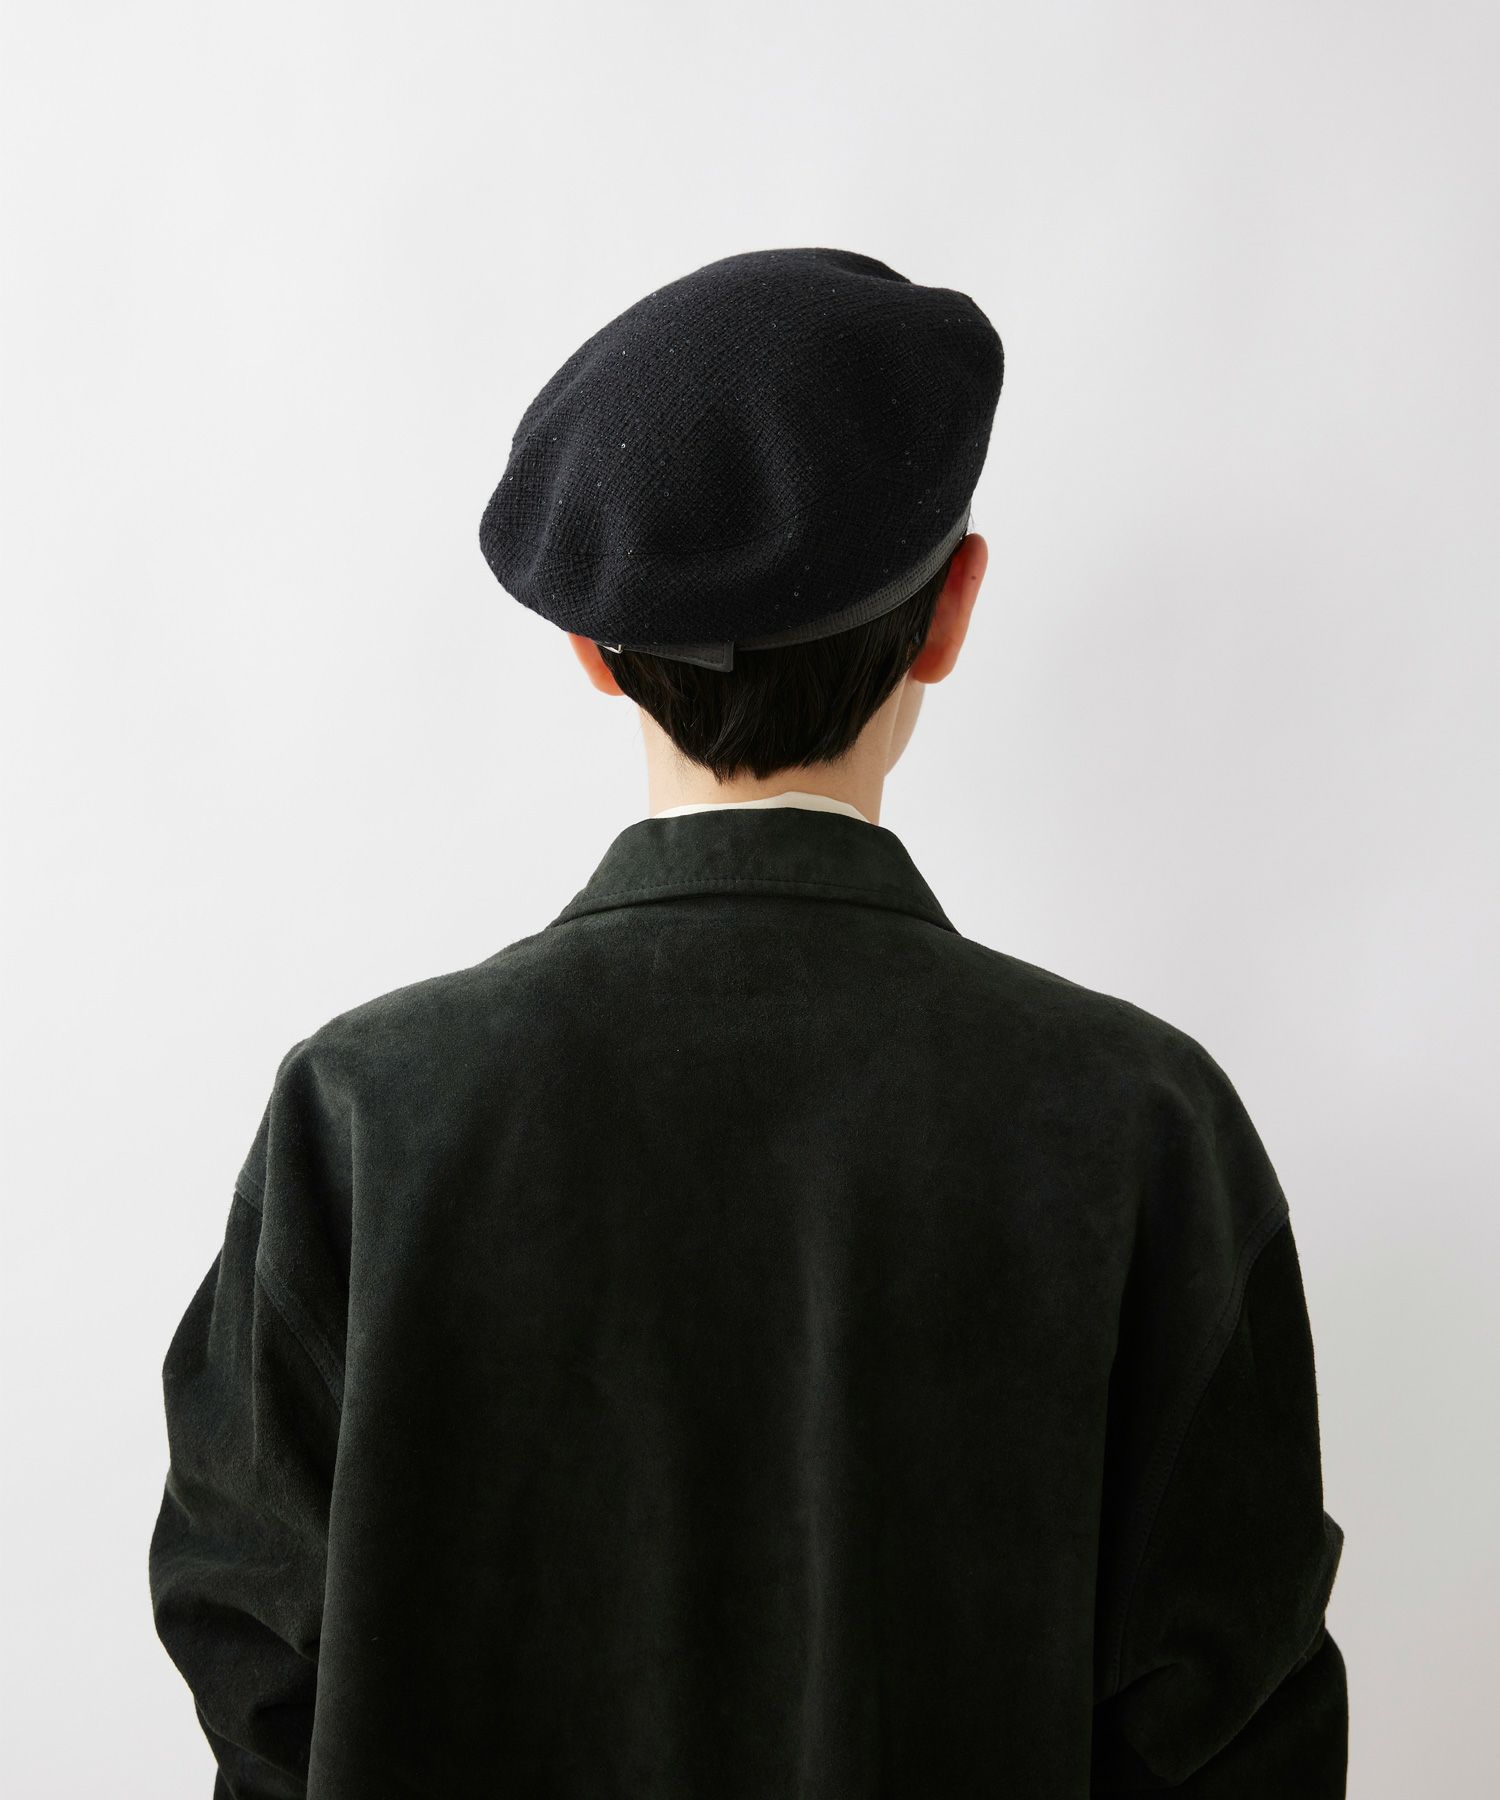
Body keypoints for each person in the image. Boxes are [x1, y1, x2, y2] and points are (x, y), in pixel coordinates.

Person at [148, 246, 1347, 1798]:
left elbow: (256, 1667)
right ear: (953, 612)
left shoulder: (363, 1112)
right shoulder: (1145, 1127)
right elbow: (1236, 1728)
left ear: (591, 653)